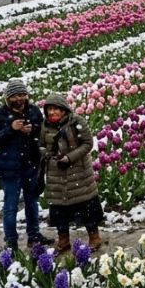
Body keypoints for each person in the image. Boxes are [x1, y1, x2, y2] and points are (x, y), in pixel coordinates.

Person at [0, 79, 51, 250]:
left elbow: (43, 132)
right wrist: (11, 128)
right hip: (9, 169)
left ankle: (34, 236)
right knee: (11, 205)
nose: (20, 99)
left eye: (22, 95)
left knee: (32, 203)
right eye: (15, 96)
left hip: (31, 165)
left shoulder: (34, 111)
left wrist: (33, 129)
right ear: (8, 98)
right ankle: (11, 241)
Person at [39, 92, 103, 253]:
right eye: (49, 109)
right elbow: (40, 145)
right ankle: (63, 238)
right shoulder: (45, 126)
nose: (52, 113)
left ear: (63, 109)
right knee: (59, 208)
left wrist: (70, 157)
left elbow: (88, 143)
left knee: (86, 204)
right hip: (56, 173)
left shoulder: (76, 122)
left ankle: (94, 236)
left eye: (55, 109)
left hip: (78, 171)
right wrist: (47, 154)